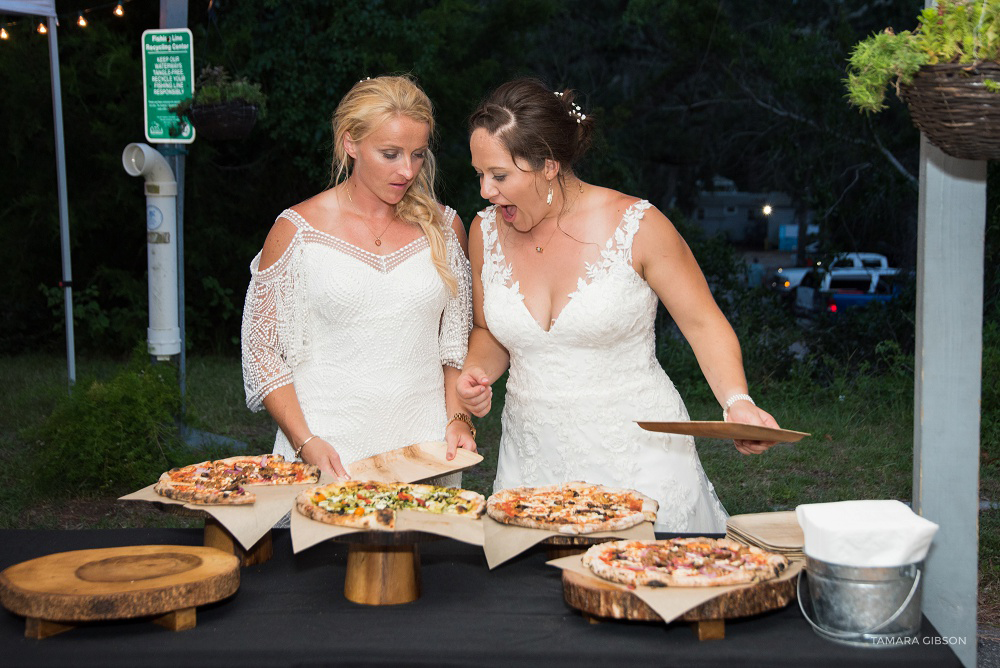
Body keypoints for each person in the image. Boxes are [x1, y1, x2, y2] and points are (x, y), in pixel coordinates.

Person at [458, 78, 781, 532]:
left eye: (500, 176)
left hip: (639, 456)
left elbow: (703, 324)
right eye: (480, 174)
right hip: (531, 460)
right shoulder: (484, 233)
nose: (485, 191)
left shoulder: (638, 225)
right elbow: (490, 331)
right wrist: (477, 373)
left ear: (549, 166)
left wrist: (738, 401)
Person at [241, 75, 476, 484]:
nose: (407, 170)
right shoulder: (297, 231)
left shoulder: (445, 227)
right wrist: (304, 441)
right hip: (329, 454)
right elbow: (261, 351)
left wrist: (459, 420)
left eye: (418, 154)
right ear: (350, 142)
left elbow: (453, 346)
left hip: (426, 454)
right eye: (390, 153)